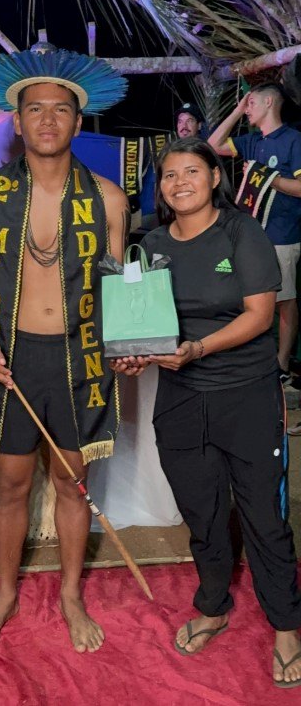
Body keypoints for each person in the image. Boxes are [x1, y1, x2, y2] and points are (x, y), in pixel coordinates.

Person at [0, 48, 128, 653]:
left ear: (79, 121)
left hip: (80, 358)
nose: (48, 119)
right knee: (11, 481)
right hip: (13, 357)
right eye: (35, 109)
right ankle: (5, 592)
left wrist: (132, 344)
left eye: (60, 109)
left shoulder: (107, 198)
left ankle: (71, 594)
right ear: (17, 119)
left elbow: (120, 286)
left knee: (72, 481)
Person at [111, 137, 301, 688]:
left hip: (247, 395)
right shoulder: (150, 243)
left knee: (263, 515)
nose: (180, 183)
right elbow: (143, 319)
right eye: (170, 175)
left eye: (192, 171)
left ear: (214, 177)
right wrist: (134, 355)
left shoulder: (242, 233)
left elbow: (260, 315)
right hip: (180, 399)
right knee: (203, 512)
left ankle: (286, 624)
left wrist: (198, 348)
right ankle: (214, 606)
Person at [208, 82, 301, 386]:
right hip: (249, 234)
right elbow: (213, 145)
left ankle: (282, 363)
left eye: (250, 104)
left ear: (269, 102)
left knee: (283, 300)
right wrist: (237, 110)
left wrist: (269, 179)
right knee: (246, 297)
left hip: (282, 234)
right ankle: (251, 357)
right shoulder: (251, 141)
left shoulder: (293, 140)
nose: (247, 109)